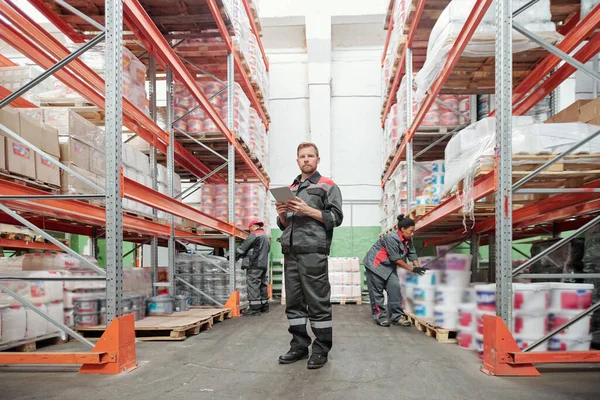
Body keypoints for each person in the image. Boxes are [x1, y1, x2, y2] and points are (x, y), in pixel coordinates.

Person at [275, 142, 343, 370]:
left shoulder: (327, 186)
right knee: (294, 303)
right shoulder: (291, 188)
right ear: (297, 161)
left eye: (310, 156)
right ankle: (299, 346)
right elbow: (285, 225)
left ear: (318, 160)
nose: (306, 159)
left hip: (313, 251)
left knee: (317, 301)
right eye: (302, 156)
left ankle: (321, 349)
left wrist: (308, 210)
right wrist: (283, 214)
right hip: (291, 251)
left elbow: (335, 218)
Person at [363, 214, 427, 327]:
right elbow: (396, 259)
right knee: (377, 293)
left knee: (395, 288)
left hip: (388, 267)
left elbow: (412, 253)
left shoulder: (408, 239)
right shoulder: (391, 238)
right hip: (375, 265)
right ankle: (380, 317)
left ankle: (397, 317)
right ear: (402, 229)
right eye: (411, 231)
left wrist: (418, 267)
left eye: (413, 231)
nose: (412, 233)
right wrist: (413, 269)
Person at [235, 220, 271, 316]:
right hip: (263, 265)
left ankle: (255, 309)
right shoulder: (266, 236)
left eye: (250, 228)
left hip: (254, 264)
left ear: (253, 227)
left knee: (253, 285)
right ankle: (264, 306)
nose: (249, 230)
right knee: (262, 285)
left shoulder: (254, 235)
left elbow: (242, 248)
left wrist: (232, 256)